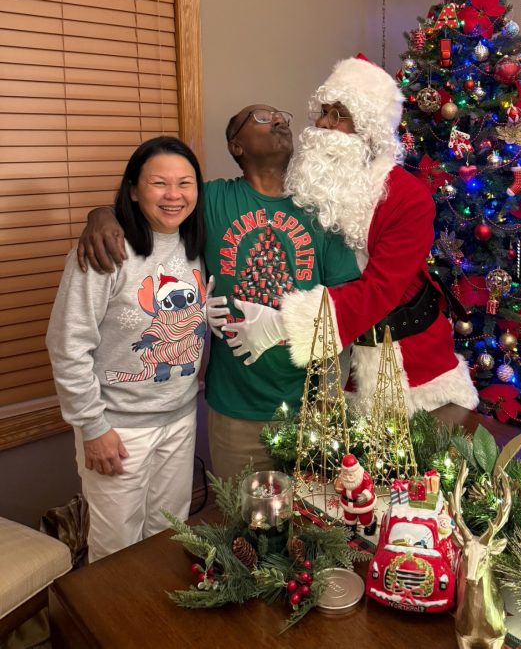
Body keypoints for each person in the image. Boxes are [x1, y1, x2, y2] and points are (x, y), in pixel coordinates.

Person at [76, 106, 359, 482]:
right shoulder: (210, 200)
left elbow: (346, 307)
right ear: (236, 145)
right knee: (239, 515)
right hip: (235, 411)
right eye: (262, 117)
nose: (279, 120)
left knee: (314, 513)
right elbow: (153, 206)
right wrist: (101, 215)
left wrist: (330, 397)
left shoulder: (320, 208)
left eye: (281, 116)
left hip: (311, 408)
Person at [221, 55, 479, 417]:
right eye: (323, 112)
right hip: (334, 374)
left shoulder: (407, 197)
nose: (324, 124)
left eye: (338, 115)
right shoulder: (308, 185)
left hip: (410, 370)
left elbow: (381, 289)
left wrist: (282, 324)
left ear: (368, 129)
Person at [46, 136, 207, 562]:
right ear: (134, 190)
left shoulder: (196, 246)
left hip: (180, 417)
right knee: (116, 552)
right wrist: (92, 427)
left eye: (185, 183)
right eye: (159, 183)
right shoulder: (105, 252)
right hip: (118, 428)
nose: (173, 195)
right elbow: (67, 345)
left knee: (169, 534)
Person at [334, 454, 376, 535]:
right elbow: (338, 486)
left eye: (350, 475)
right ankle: (350, 531)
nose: (347, 477)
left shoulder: (364, 476)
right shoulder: (342, 476)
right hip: (347, 504)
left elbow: (370, 486)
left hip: (362, 505)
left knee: (366, 520)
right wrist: (337, 485)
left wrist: (365, 495)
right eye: (345, 474)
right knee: (349, 519)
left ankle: (371, 524)